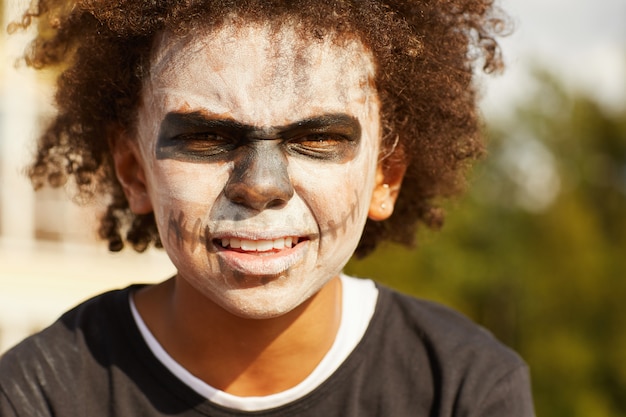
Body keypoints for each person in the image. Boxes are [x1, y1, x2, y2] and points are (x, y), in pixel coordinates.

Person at [0, 0, 535, 415]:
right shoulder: (38, 395)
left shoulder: (465, 389)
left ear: (384, 177)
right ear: (134, 170)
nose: (260, 186)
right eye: (208, 136)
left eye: (319, 138)